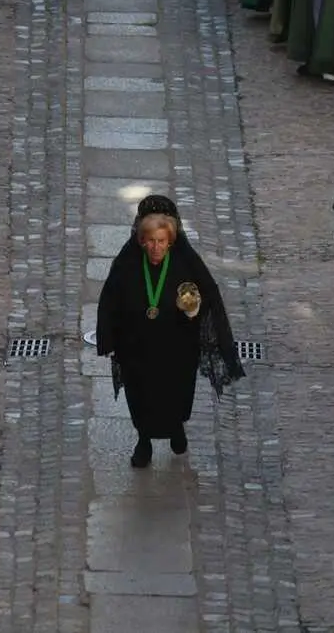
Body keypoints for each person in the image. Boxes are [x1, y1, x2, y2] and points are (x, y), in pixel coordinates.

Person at [96, 196, 243, 468]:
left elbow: (207, 294)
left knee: (175, 393)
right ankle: (144, 441)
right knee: (140, 395)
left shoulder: (185, 263)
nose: (156, 247)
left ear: (170, 240)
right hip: (137, 347)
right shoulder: (128, 263)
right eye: (150, 241)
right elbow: (109, 300)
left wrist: (192, 309)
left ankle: (176, 429)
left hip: (177, 346)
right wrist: (110, 339)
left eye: (161, 241)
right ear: (141, 239)